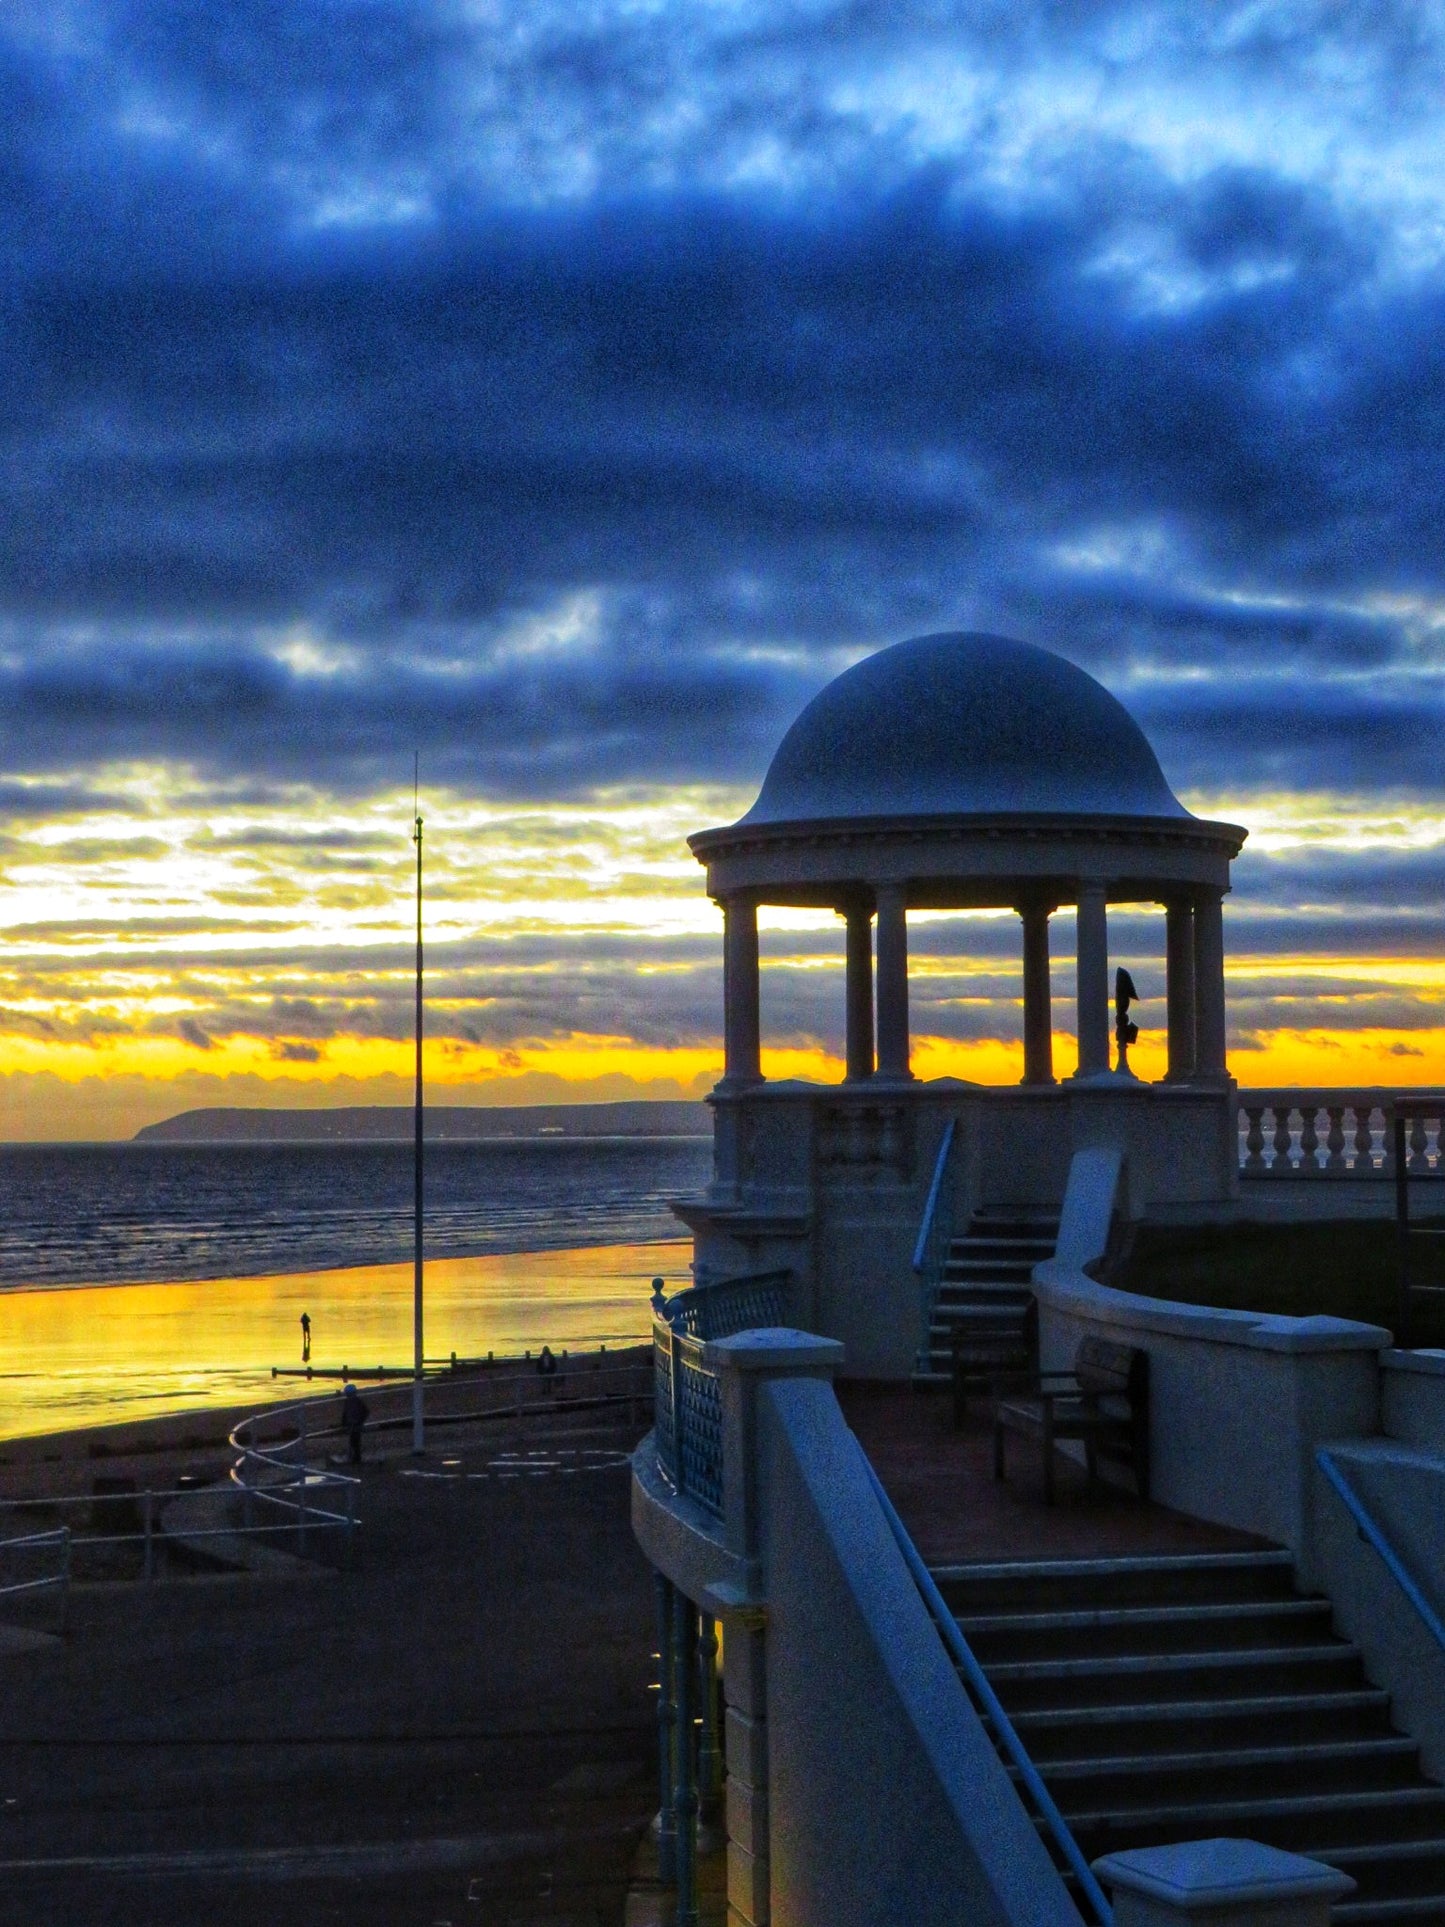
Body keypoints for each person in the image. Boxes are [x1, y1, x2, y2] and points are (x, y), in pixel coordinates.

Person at [342, 1382, 369, 1464]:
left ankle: (356, 1458)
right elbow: (345, 1414)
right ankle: (354, 1457)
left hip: (356, 1425)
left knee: (355, 1442)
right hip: (352, 1424)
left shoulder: (355, 1401)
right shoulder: (351, 1401)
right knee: (353, 1441)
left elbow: (365, 1411)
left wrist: (360, 1421)